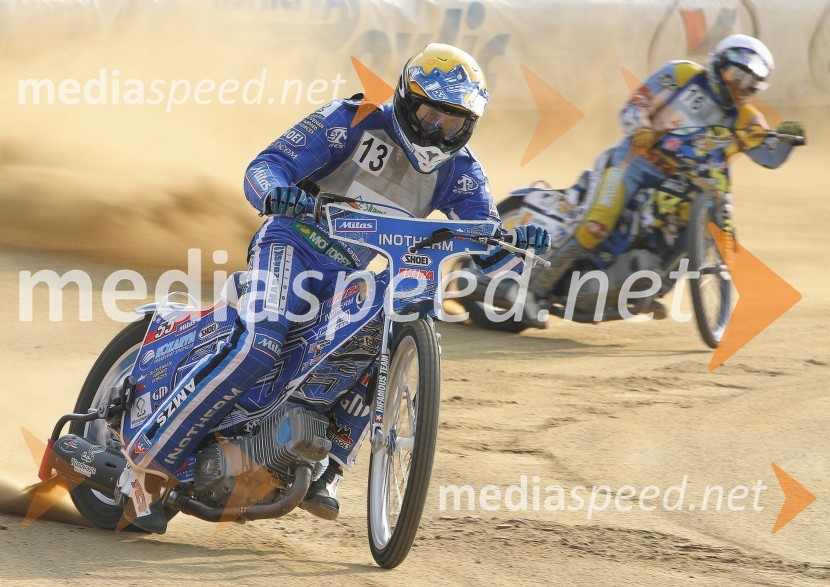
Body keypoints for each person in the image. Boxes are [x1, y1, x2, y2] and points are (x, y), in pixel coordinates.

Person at [119, 43, 551, 532]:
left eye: (454, 122)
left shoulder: (462, 169)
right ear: (408, 99)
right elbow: (265, 166)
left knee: (384, 341)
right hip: (296, 245)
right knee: (258, 346)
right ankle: (149, 465)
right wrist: (276, 193)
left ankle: (327, 467)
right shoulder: (352, 117)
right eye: (431, 113)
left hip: (363, 277)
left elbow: (484, 238)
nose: (439, 130)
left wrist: (516, 243)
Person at [521, 34, 805, 324]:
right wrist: (642, 127)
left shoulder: (747, 118)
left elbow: (768, 157)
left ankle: (645, 287)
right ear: (717, 64)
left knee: (698, 236)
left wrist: (789, 139)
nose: (739, 86)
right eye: (735, 74)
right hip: (634, 162)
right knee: (598, 223)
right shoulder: (681, 74)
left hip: (686, 187)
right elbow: (633, 107)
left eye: (750, 83)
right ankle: (532, 290)